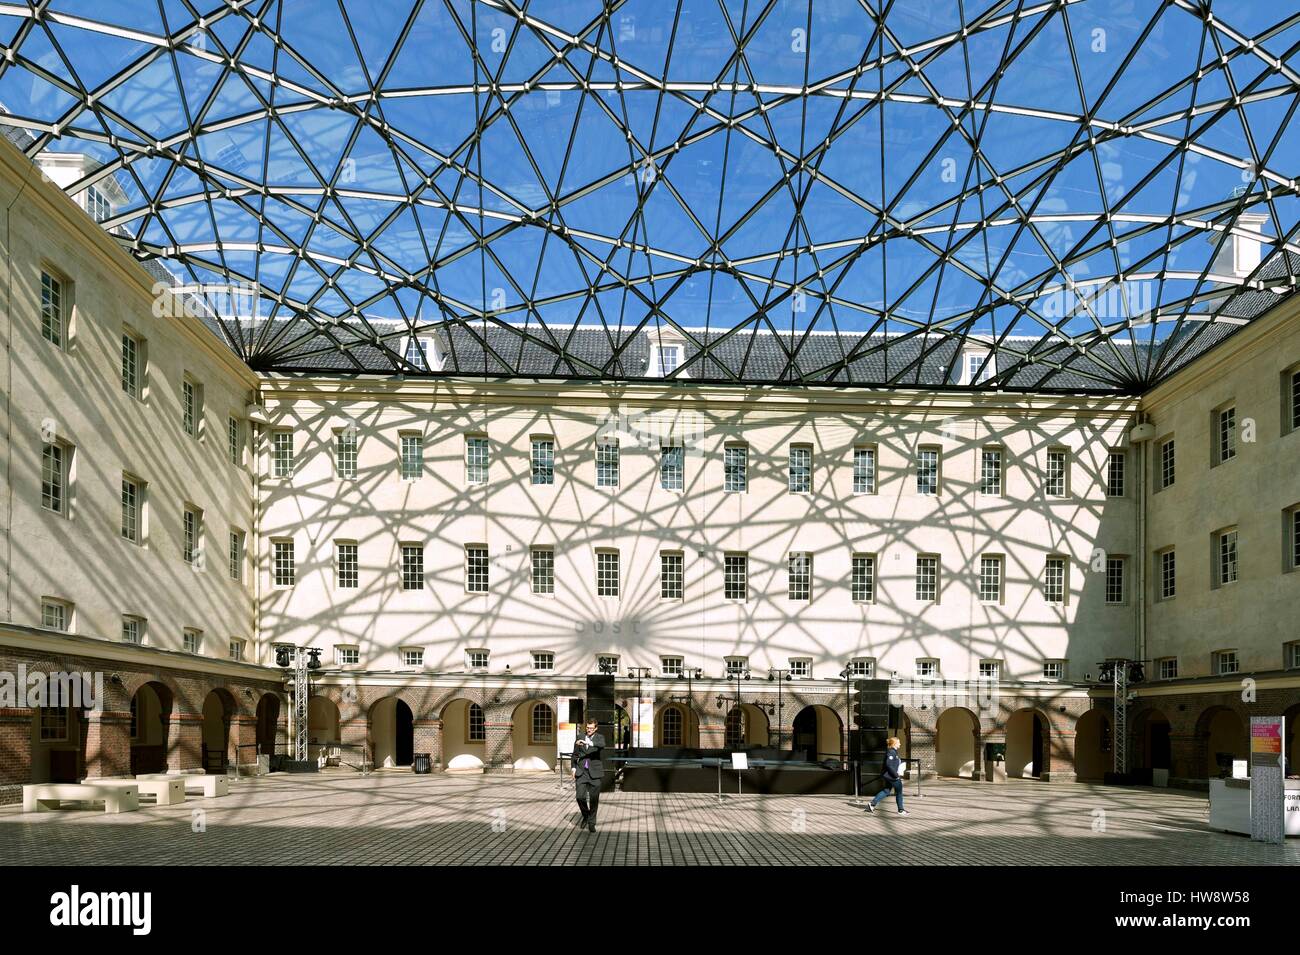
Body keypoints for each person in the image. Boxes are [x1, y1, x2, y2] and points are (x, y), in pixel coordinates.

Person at [572, 718, 605, 832]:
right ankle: (586, 816)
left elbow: (601, 745)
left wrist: (587, 742)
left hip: (594, 772)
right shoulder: (580, 736)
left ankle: (591, 823)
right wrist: (573, 768)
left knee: (594, 799)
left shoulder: (599, 738)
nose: (589, 730)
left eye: (591, 728)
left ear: (596, 728)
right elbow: (575, 754)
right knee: (579, 797)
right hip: (582, 771)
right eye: (587, 728)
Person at [865, 737, 908, 815]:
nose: (900, 744)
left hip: (889, 776)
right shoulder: (891, 752)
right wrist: (896, 775)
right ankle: (901, 810)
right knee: (899, 792)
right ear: (894, 743)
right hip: (892, 776)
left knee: (886, 791)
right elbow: (889, 765)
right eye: (898, 742)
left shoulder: (893, 751)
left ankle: (872, 804)